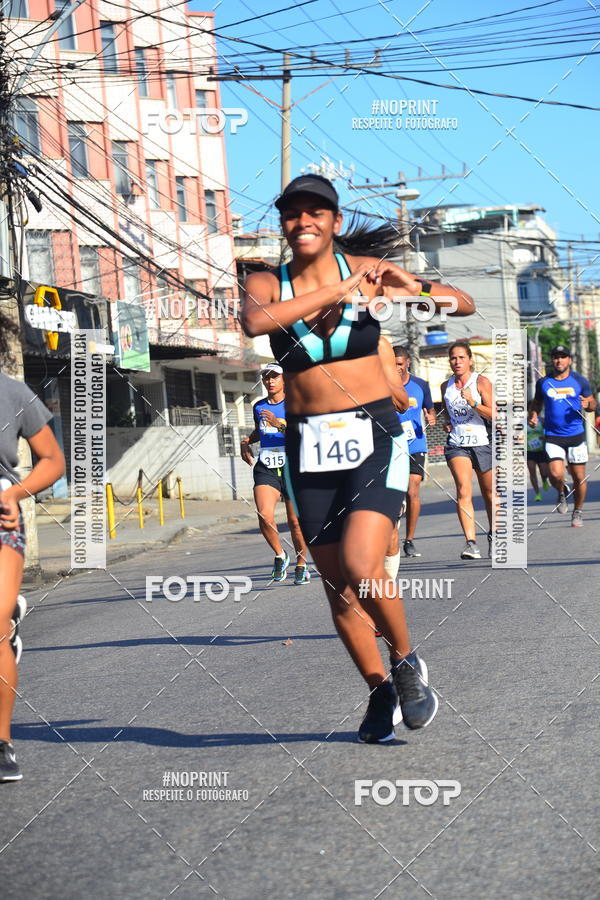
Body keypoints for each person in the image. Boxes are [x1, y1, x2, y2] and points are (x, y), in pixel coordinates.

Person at [242, 173, 474, 743]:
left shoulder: (365, 275)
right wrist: (340, 293)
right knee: (337, 587)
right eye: (293, 214)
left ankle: (404, 661)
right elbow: (255, 323)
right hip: (307, 445)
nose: (303, 222)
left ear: (334, 222)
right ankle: (378, 690)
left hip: (374, 436)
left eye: (315, 213)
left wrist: (405, 281)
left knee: (364, 567)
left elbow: (460, 305)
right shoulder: (267, 282)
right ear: (284, 224)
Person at [0, 333, 65, 782]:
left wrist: (16, 493)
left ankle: (1, 743)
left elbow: (51, 459)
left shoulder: (11, 391)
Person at [241, 364, 309, 583]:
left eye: (274, 377)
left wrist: (278, 424)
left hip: (293, 465)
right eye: (266, 377)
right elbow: (261, 431)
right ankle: (280, 555)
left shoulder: (296, 404)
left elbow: (302, 433)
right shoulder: (258, 406)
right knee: (264, 515)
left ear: (284, 379)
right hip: (267, 465)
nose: (270, 381)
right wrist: (247, 441)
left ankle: (301, 564)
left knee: (295, 523)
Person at [528, 345, 596, 525]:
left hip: (576, 435)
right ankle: (562, 490)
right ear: (552, 360)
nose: (559, 360)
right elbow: (536, 403)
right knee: (555, 475)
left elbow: (593, 404)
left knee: (579, 477)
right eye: (556, 357)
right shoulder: (543, 382)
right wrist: (533, 416)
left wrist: (588, 404)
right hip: (553, 435)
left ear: (569, 360)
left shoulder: (580, 381)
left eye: (563, 357)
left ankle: (578, 511)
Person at [441, 341, 493, 560]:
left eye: (461, 357)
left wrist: (473, 403)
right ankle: (471, 543)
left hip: (482, 441)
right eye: (453, 358)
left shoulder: (481, 382)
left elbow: (494, 414)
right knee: (463, 490)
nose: (457, 362)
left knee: (490, 493)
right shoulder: (446, 386)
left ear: (470, 360)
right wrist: (446, 421)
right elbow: (447, 412)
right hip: (458, 443)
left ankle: (495, 534)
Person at [392, 346, 436, 557]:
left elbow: (430, 408)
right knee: (394, 494)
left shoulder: (420, 385)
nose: (396, 368)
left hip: (415, 444)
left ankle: (409, 540)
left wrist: (431, 417)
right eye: (393, 364)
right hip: (391, 446)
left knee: (412, 490)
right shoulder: (381, 386)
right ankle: (391, 537)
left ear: (407, 362)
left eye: (400, 364)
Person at [526, 419, 549, 502]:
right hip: (528, 451)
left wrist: (544, 436)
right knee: (532, 472)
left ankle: (544, 480)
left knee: (544, 472)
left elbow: (548, 432)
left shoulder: (541, 420)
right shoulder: (522, 422)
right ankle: (537, 493)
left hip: (540, 450)